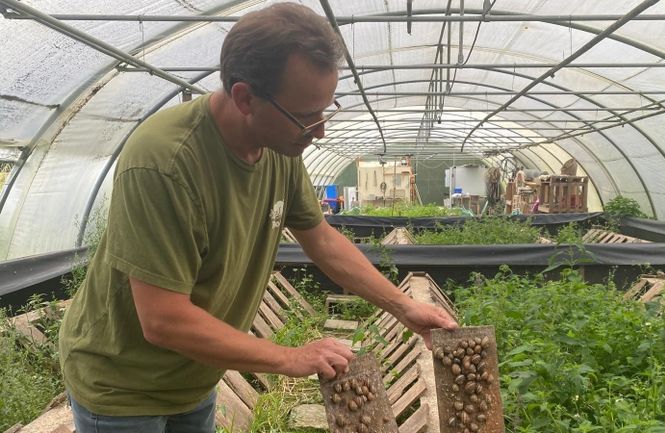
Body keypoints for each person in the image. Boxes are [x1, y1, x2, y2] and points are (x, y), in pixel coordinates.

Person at [57, 4, 457, 433]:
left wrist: (404, 308)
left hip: (195, 375)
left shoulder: (279, 148)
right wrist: (289, 357)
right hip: (124, 386)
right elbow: (162, 318)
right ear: (245, 97)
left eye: (325, 109)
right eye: (305, 116)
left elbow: (320, 239)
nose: (319, 130)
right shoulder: (165, 162)